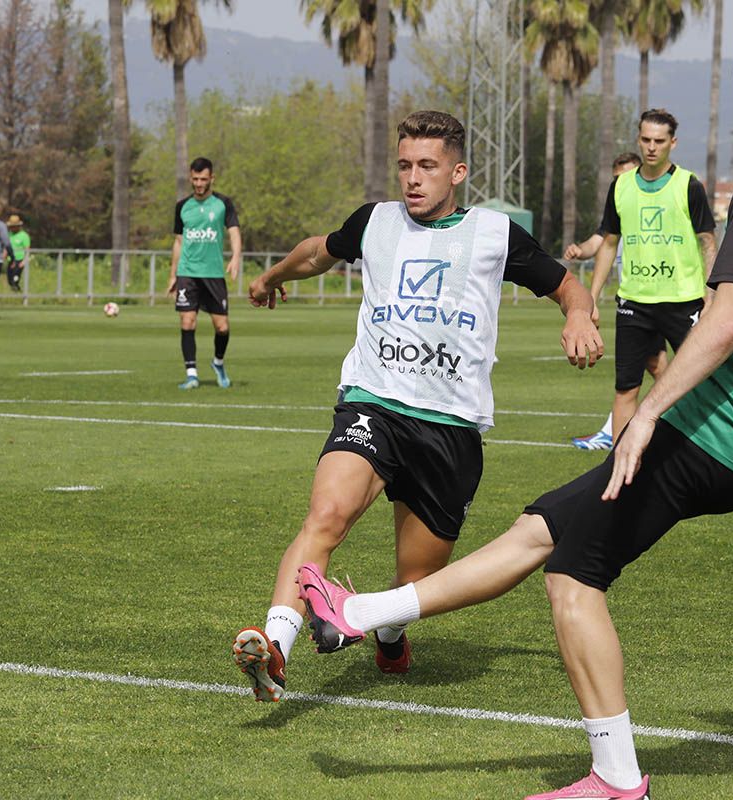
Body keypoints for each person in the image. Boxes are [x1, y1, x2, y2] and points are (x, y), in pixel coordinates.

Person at [295, 31, 733, 799]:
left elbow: (732, 315)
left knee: (574, 579)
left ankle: (616, 778)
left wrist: (646, 414)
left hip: (705, 428)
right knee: (542, 530)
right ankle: (365, 613)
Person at [231, 110, 604, 702]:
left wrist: (580, 315)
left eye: (427, 166)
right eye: (404, 165)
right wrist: (272, 276)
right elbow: (317, 253)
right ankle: (275, 647)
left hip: (450, 428)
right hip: (372, 403)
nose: (412, 178)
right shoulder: (374, 222)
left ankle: (388, 630)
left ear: (456, 171)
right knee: (325, 517)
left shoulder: (493, 233)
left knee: (416, 579)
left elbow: (566, 285)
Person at [583, 109, 718, 449]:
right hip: (634, 303)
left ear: (672, 143)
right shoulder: (621, 186)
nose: (651, 147)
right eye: (645, 140)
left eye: (659, 141)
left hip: (683, 301)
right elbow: (609, 242)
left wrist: (710, 293)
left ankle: (696, 456)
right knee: (626, 387)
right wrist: (591, 297)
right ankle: (616, 465)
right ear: (638, 139)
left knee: (698, 384)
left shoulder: (689, 185)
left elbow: (707, 242)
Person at [561, 153, 667, 451]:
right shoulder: (619, 213)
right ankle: (627, 429)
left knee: (659, 372)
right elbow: (598, 242)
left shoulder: (654, 208)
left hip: (658, 300)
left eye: (628, 175)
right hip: (634, 303)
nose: (623, 182)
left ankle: (632, 430)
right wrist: (578, 251)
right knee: (656, 369)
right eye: (618, 177)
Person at [167, 157, 241, 389]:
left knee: (222, 327)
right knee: (187, 321)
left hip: (213, 273)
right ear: (190, 177)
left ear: (212, 179)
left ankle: (218, 363)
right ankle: (191, 374)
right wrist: (173, 274)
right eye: (195, 179)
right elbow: (179, 242)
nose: (199, 183)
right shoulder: (182, 207)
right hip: (187, 272)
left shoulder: (223, 204)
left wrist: (236, 257)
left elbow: (234, 232)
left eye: (203, 179)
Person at [6, 214, 30, 292]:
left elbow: (27, 249)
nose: (12, 228)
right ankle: (15, 294)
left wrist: (24, 261)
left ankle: (19, 294)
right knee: (10, 280)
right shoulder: (8, 235)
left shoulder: (24, 236)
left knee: (15, 280)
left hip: (19, 260)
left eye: (14, 226)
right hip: (10, 260)